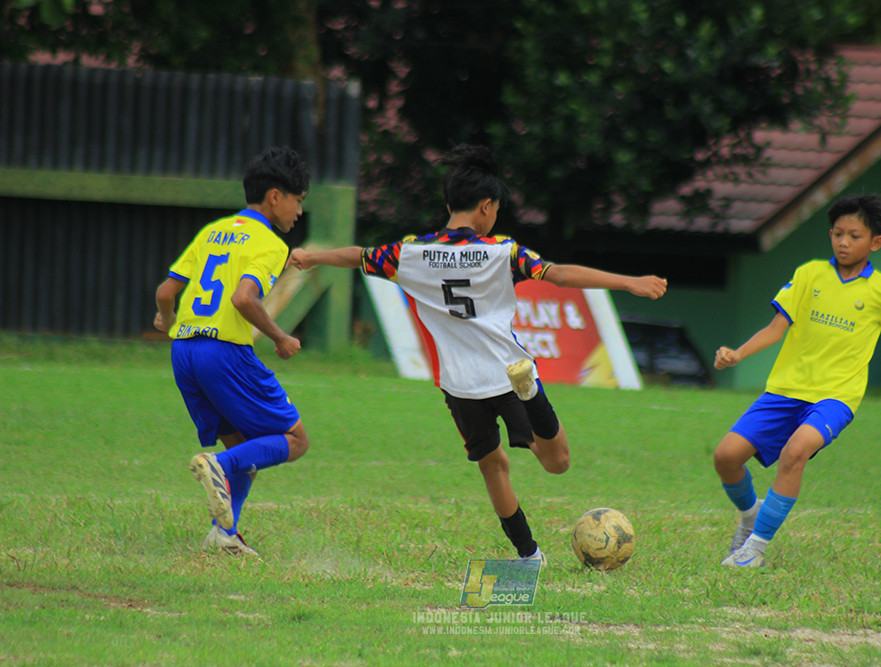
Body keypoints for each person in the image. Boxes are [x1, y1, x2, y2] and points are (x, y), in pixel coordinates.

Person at [286, 144, 667, 562]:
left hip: (460, 385)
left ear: (451, 203)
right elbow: (557, 275)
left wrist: (310, 257)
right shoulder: (501, 250)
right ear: (486, 206)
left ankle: (528, 554)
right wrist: (629, 282)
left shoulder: (410, 253)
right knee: (557, 462)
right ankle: (530, 398)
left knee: (493, 467)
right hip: (508, 370)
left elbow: (357, 256)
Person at [712, 193, 881, 568]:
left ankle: (755, 548)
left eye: (854, 235)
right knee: (725, 457)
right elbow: (776, 328)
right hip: (785, 389)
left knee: (796, 451)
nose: (843, 242)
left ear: (875, 242)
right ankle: (750, 515)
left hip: (836, 397)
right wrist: (738, 353)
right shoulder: (809, 275)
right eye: (837, 233)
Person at [154, 145, 312, 556]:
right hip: (223, 353)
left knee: (245, 447)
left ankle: (223, 535)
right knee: (294, 440)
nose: (299, 211)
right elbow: (244, 298)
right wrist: (280, 337)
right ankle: (217, 468)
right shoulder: (270, 243)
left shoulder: (213, 231)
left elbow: (166, 291)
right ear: (275, 196)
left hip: (184, 352)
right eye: (298, 200)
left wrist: (165, 319)